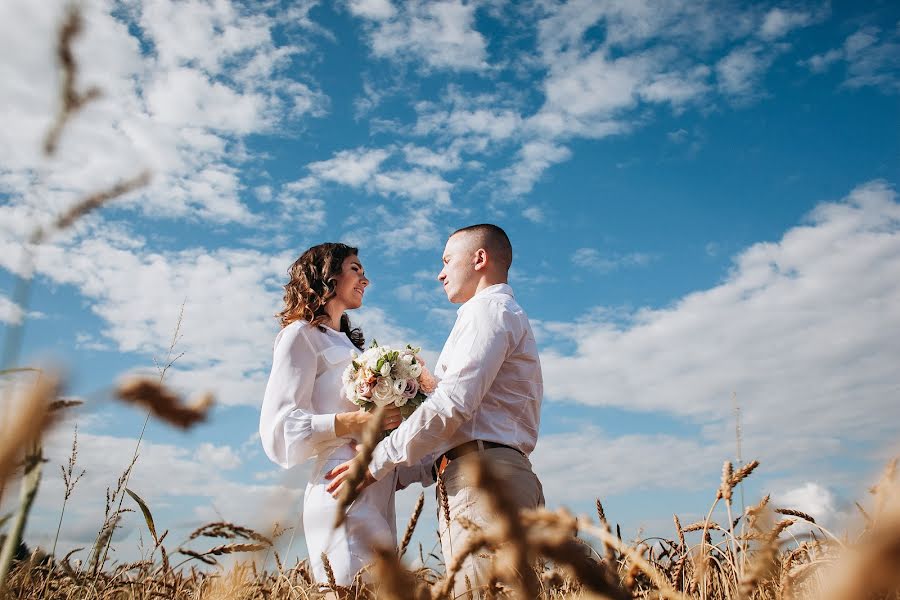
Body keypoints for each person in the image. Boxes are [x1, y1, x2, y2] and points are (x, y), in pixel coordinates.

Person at [326, 224, 544, 596]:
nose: (440, 273)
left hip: (484, 481)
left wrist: (378, 461)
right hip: (477, 476)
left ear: (479, 259)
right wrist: (397, 472)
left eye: (446, 261)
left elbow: (452, 406)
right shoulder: (488, 315)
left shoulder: (489, 312)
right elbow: (457, 424)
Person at [259, 242, 430, 588]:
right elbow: (278, 428)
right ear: (327, 276)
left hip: (376, 485)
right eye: (356, 269)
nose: (365, 279)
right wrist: (352, 422)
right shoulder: (300, 337)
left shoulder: (356, 351)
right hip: (337, 485)